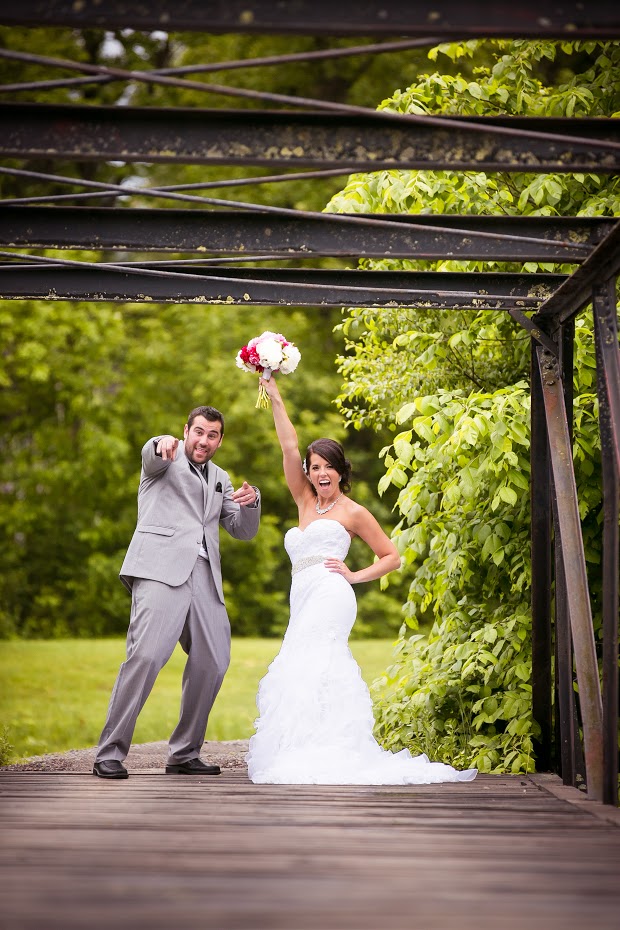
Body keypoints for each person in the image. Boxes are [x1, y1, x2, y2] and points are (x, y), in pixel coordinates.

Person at [246, 377, 476, 785]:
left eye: (328, 467)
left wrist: (353, 576)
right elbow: (288, 446)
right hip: (301, 596)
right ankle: (305, 745)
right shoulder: (303, 500)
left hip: (332, 595)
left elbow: (392, 557)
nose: (320, 473)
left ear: (340, 470)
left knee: (321, 660)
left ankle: (331, 747)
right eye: (314, 467)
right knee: (300, 663)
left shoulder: (353, 512)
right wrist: (274, 392)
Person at [93, 405, 261, 780]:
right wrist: (160, 443)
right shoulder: (164, 459)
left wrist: (252, 505)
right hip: (158, 570)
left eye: (212, 435)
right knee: (147, 656)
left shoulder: (221, 477)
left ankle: (184, 753)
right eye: (198, 431)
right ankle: (109, 752)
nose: (204, 440)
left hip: (204, 575)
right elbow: (151, 455)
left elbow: (242, 530)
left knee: (214, 660)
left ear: (219, 439)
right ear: (186, 431)